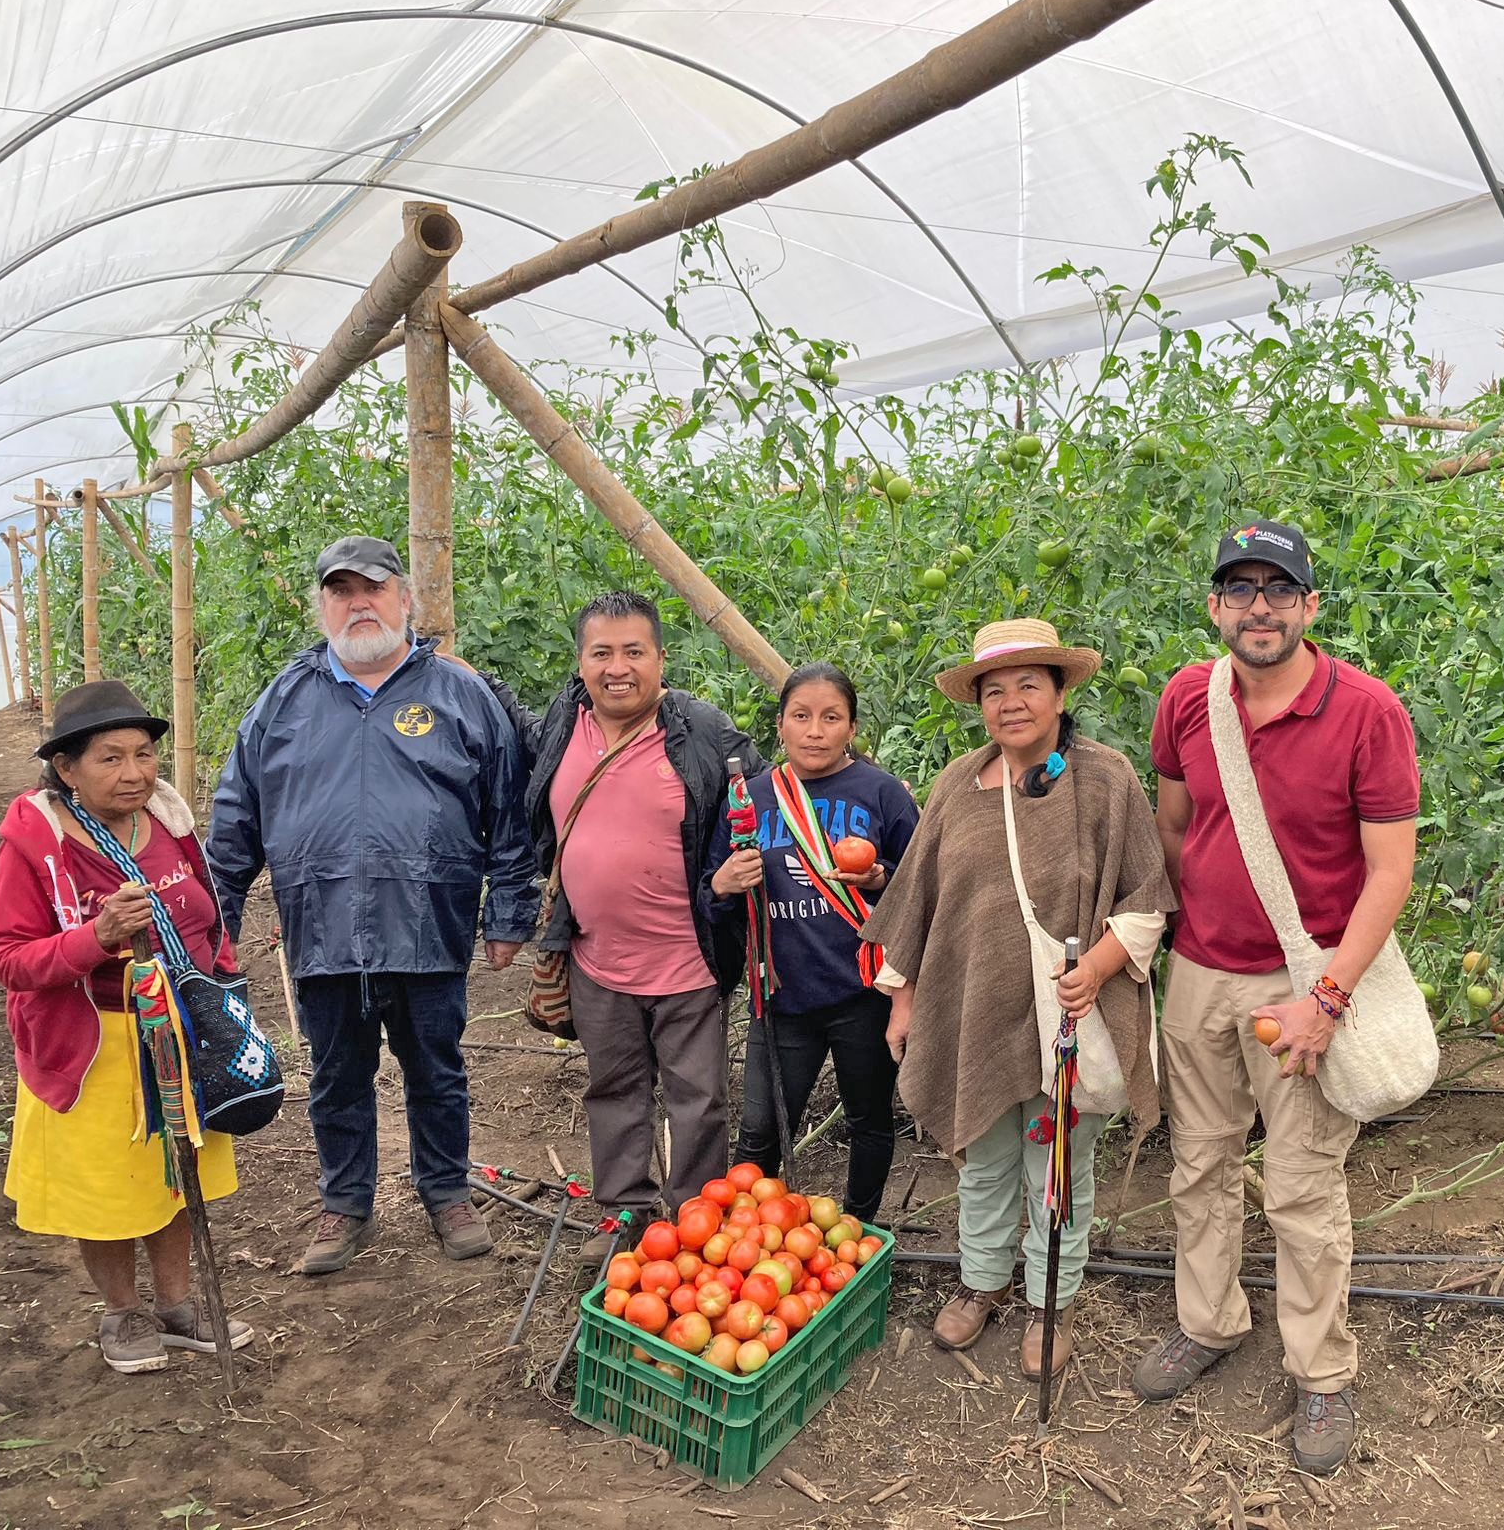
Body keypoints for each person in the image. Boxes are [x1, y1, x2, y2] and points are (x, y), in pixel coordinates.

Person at [1132, 520, 1419, 1476]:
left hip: (1306, 985)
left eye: (1280, 590)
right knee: (1200, 1163)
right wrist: (1192, 938)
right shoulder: (1187, 697)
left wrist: (1327, 996)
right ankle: (1208, 1321)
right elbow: (1175, 825)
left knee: (1302, 1184)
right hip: (1202, 974)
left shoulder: (1367, 712)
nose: (1261, 607)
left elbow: (1389, 875)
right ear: (1216, 607)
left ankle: (1322, 1373)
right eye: (1241, 589)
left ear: (1310, 607)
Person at [207, 536, 538, 1275]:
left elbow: (507, 809)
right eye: (341, 590)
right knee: (335, 1074)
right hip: (320, 926)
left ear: (405, 600)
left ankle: (447, 1191)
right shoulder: (283, 702)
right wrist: (215, 919)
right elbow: (236, 816)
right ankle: (346, 1202)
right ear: (321, 605)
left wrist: (510, 912)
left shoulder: (459, 694)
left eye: (374, 588)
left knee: (437, 1069)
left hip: (429, 921)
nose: (359, 603)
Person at [860, 618, 1171, 1379]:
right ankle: (981, 1282)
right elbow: (921, 903)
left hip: (1072, 1011)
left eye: (1029, 684)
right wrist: (903, 1003)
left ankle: (1050, 1301)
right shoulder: (958, 785)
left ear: (1061, 693)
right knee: (987, 1159)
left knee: (1058, 1162)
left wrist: (1096, 968)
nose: (1011, 704)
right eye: (994, 691)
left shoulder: (1105, 779)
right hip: (973, 1006)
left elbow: (1148, 898)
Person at [478, 590, 764, 1262]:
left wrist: (723, 876)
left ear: (661, 659)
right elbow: (519, 740)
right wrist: (463, 673)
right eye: (601, 652)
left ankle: (696, 1227)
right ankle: (627, 1219)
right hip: (596, 957)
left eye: (634, 651)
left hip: (687, 961)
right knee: (613, 1091)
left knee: (697, 1102)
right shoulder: (563, 719)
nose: (618, 667)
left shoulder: (703, 730)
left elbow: (763, 801)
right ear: (579, 664)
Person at [0, 681, 257, 1371]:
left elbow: (207, 915)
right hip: (94, 1043)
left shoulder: (168, 822)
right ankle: (122, 1315)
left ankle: (176, 1305)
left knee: (175, 1170)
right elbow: (9, 958)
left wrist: (222, 983)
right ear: (67, 768)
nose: (134, 772)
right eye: (110, 758)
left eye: (143, 754)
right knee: (105, 1190)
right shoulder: (36, 842)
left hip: (177, 1033)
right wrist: (95, 938)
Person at [702, 662, 919, 1225]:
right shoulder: (748, 799)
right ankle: (750, 1239)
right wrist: (722, 885)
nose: (815, 730)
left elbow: (923, 883)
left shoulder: (881, 793)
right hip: (782, 997)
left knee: (868, 1121)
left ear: (852, 728)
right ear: (780, 726)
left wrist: (880, 877)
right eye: (802, 716)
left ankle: (860, 1233)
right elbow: (710, 886)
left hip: (862, 993)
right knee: (759, 1134)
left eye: (831, 718)